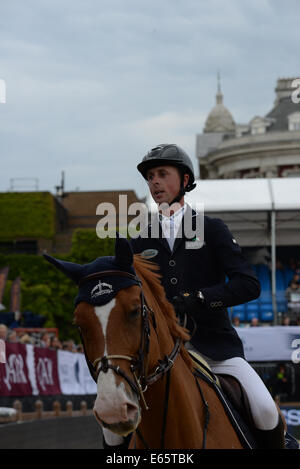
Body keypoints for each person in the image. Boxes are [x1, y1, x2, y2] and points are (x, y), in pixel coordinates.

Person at [127, 143, 296, 450]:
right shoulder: (139, 241)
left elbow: (248, 284)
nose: (154, 182)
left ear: (185, 180)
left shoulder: (212, 229)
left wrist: (201, 298)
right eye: (150, 176)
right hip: (159, 356)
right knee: (114, 426)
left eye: (162, 174)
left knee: (266, 410)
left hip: (214, 350)